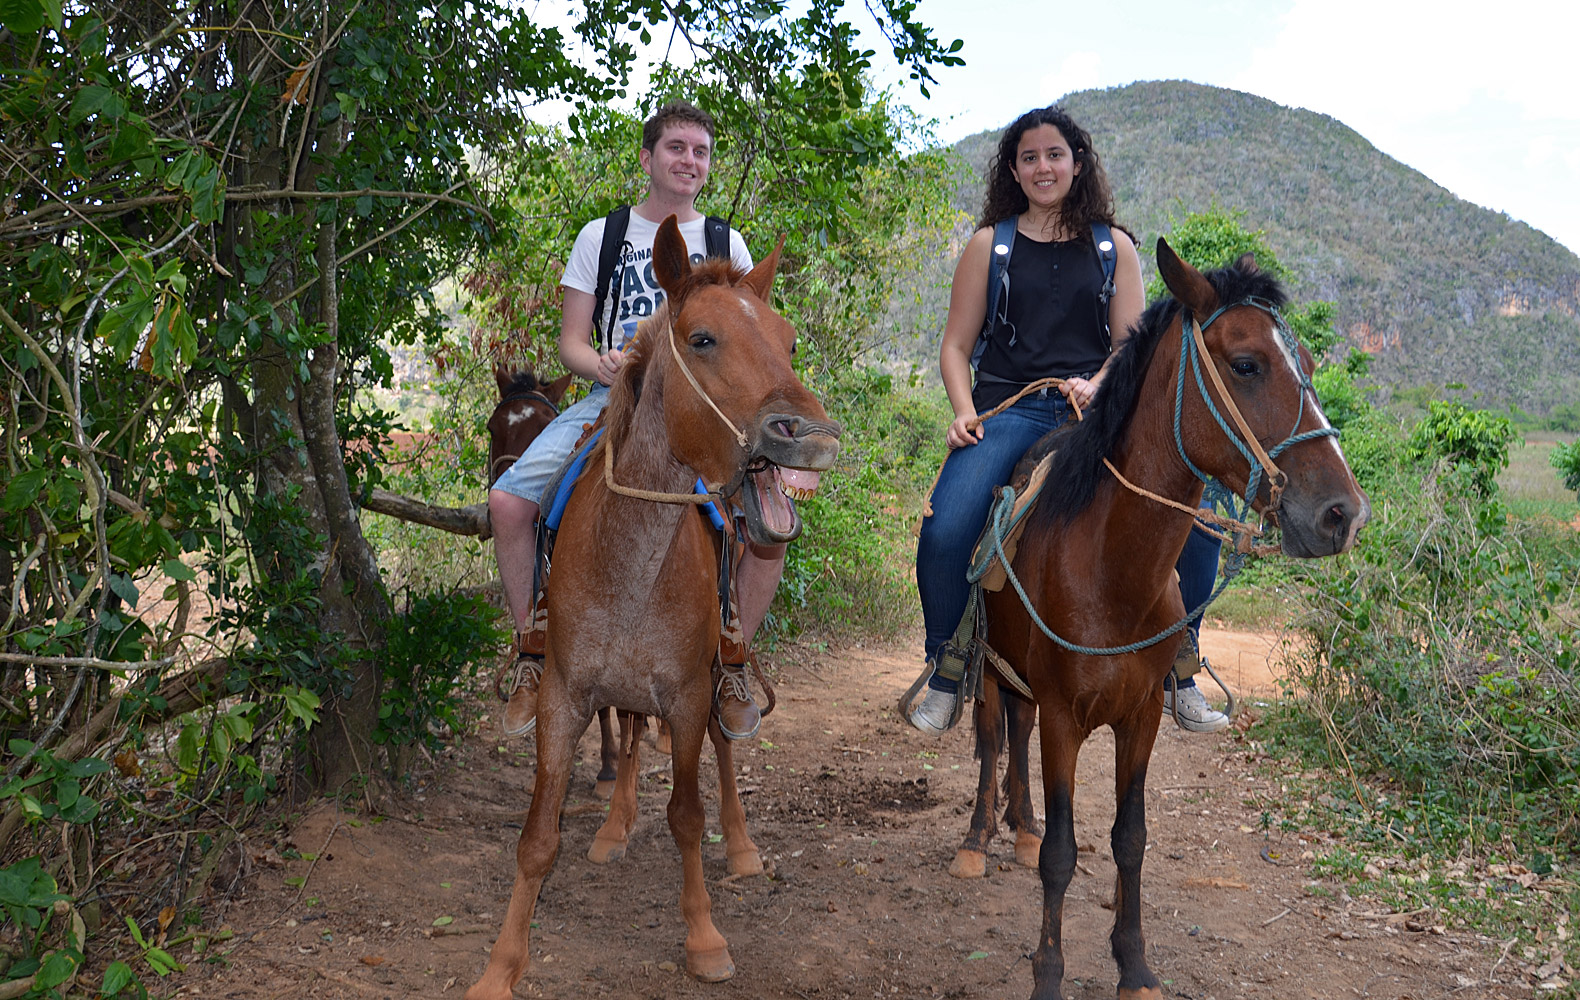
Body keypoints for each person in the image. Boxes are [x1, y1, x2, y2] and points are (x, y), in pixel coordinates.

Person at [903, 105, 1230, 736]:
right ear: (1014, 171)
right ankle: (947, 664)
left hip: (1099, 412)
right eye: (1029, 157)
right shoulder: (987, 246)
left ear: (1077, 164)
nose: (1043, 167)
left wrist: (1100, 383)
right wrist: (964, 413)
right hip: (1010, 407)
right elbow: (954, 347)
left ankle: (1179, 665)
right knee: (946, 530)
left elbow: (1129, 345)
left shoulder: (1115, 247)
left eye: (1055, 155)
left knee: (1198, 523)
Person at [488, 100, 779, 741]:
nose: (690, 161)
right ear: (649, 158)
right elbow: (571, 342)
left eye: (700, 152)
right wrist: (603, 364)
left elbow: (748, 345)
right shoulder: (603, 235)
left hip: (704, 411)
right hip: (612, 399)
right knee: (508, 506)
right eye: (677, 148)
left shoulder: (726, 244)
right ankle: (533, 650)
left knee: (770, 522)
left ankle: (731, 657)